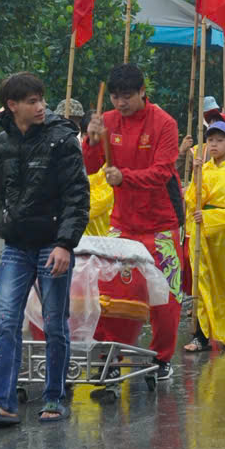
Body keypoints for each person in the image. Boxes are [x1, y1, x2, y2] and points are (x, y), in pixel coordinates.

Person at [0, 72, 89, 426]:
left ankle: (54, 397)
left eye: (41, 100)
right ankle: (3, 404)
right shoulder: (2, 142)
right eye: (32, 101)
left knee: (54, 324)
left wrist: (66, 244)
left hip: (53, 243)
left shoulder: (62, 139)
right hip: (17, 245)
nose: (40, 107)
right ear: (13, 106)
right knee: (6, 323)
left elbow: (77, 197)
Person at [82, 64, 182, 378]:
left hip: (161, 224)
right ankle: (110, 359)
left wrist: (124, 178)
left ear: (142, 92)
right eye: (115, 97)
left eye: (127, 96)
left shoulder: (164, 123)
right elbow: (89, 165)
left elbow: (162, 173)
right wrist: (92, 140)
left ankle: (162, 358)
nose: (120, 103)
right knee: (110, 295)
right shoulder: (107, 121)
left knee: (165, 298)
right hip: (122, 224)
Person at [183, 119, 225, 351]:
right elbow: (191, 199)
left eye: (220, 141)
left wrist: (209, 218)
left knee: (224, 282)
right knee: (200, 283)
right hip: (200, 232)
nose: (214, 145)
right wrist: (197, 175)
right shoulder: (203, 168)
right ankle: (200, 336)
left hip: (222, 233)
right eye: (210, 140)